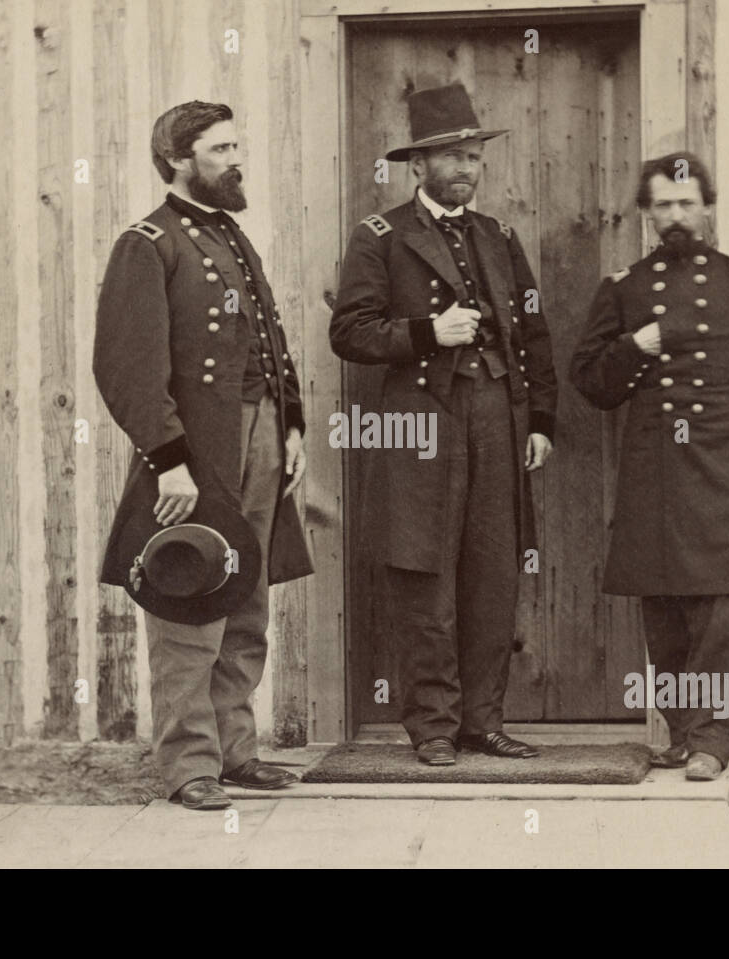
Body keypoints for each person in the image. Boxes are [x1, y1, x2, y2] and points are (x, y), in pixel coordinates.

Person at [330, 83, 558, 766]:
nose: (465, 169)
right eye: (451, 157)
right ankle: (432, 725)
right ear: (418, 166)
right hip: (421, 423)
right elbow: (350, 331)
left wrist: (541, 419)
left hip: (498, 415)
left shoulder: (498, 236)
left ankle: (481, 721)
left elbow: (534, 333)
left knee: (493, 569)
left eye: (472, 157)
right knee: (423, 570)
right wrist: (430, 331)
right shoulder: (380, 236)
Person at [94, 101, 313, 809]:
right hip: (198, 450)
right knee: (190, 599)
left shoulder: (230, 236)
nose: (235, 158)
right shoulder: (147, 242)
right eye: (220, 149)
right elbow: (127, 367)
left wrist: (291, 426)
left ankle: (236, 752)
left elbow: (268, 343)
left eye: (235, 144)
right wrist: (169, 460)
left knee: (245, 597)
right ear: (180, 160)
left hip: (260, 438)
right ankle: (190, 765)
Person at [569, 151, 729, 781]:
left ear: (706, 207)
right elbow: (590, 381)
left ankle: (713, 741)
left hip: (725, 458)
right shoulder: (623, 287)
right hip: (653, 464)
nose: (676, 214)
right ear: (646, 213)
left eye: (687, 202)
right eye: (663, 205)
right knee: (664, 604)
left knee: (725, 604)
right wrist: (633, 346)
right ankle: (679, 732)